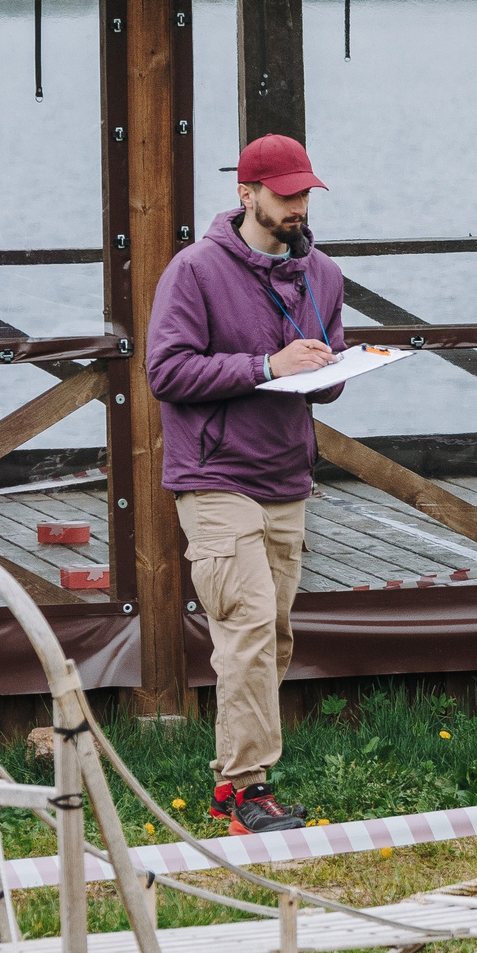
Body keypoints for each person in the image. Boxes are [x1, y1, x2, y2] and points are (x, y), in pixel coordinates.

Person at [146, 134, 346, 835]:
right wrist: (266, 366)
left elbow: (324, 379)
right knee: (249, 628)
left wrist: (333, 369)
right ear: (246, 193)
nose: (298, 206)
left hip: (286, 476)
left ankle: (237, 786)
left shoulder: (323, 273)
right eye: (285, 194)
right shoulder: (194, 270)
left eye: (304, 193)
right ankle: (243, 792)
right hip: (213, 477)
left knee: (273, 637)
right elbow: (165, 372)